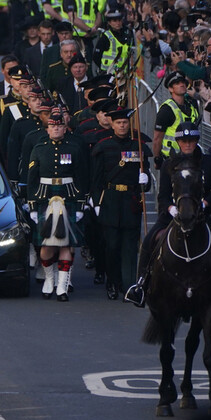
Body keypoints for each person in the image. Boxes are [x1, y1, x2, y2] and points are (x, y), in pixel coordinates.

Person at [125, 122, 211, 312]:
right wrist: (171, 209)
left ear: (196, 141)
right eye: (184, 141)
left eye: (191, 140)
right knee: (150, 241)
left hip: (206, 212)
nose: (188, 144)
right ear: (178, 142)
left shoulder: (208, 162)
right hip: (175, 213)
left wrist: (204, 203)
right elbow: (164, 195)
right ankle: (141, 285)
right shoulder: (170, 164)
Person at [26, 108, 89, 301]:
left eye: (59, 126)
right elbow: (32, 179)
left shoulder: (74, 148)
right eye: (53, 126)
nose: (56, 129)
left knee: (65, 244)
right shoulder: (39, 148)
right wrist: (33, 206)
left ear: (64, 128)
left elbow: (81, 177)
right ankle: (49, 279)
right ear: (48, 129)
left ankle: (61, 286)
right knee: (46, 245)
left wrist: (80, 205)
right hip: (45, 198)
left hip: (68, 197)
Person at [88, 108, 151, 299]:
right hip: (111, 200)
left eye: (125, 122)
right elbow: (96, 178)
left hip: (131, 201)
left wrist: (145, 180)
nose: (122, 126)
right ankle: (113, 282)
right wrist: (96, 202)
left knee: (130, 247)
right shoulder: (103, 146)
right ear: (112, 124)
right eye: (118, 123)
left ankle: (129, 285)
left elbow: (146, 179)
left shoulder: (138, 146)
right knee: (112, 246)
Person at [152, 71, 200, 166]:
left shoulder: (191, 106)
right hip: (172, 159)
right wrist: (157, 158)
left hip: (191, 157)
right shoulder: (166, 109)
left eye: (183, 83)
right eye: (177, 83)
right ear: (170, 89)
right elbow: (157, 138)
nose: (182, 85)